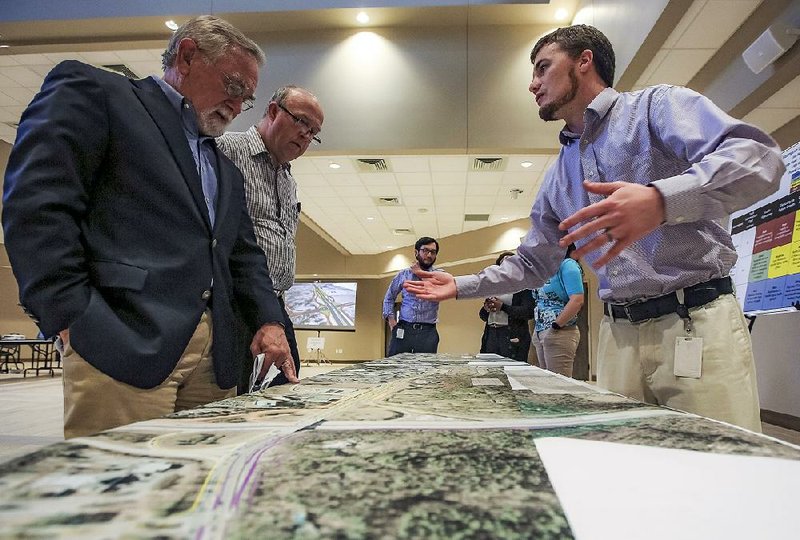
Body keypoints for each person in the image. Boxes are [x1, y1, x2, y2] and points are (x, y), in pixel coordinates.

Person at [403, 24, 786, 432]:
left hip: (696, 320)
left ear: (584, 61)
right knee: (625, 469)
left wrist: (660, 200)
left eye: (543, 68)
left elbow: (760, 160)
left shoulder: (656, 109)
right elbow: (532, 263)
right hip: (617, 337)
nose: (533, 85)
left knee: (722, 466)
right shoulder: (557, 178)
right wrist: (459, 285)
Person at [2, 15, 298, 439]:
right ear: (188, 55)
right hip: (123, 343)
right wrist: (68, 314)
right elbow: (37, 205)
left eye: (246, 99)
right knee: (123, 495)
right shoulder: (98, 93)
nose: (237, 106)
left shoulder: (224, 168)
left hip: (217, 367)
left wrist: (270, 322)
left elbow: (244, 257)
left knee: (203, 492)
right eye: (234, 87)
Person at [218, 85, 324, 392]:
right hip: (235, 299)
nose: (306, 135)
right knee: (234, 390)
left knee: (286, 382)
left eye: (313, 132)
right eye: (302, 122)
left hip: (274, 300)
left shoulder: (287, 179)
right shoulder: (227, 151)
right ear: (274, 111)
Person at [531, 244, 584, 376]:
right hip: (540, 330)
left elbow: (577, 300)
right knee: (547, 384)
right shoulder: (545, 270)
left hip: (560, 330)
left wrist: (555, 326)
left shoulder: (567, 265)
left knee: (559, 385)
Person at [383, 237, 442, 356]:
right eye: (425, 250)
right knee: (395, 368)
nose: (429, 255)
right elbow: (389, 298)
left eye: (433, 252)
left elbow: (437, 290)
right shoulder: (404, 274)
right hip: (404, 328)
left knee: (425, 370)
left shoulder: (440, 275)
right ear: (416, 252)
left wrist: (419, 273)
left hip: (428, 332)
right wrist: (392, 322)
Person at [479, 251, 535, 362]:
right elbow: (483, 316)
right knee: (490, 372)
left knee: (512, 371)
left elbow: (528, 312)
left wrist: (503, 307)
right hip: (491, 333)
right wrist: (486, 308)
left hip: (511, 335)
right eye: (502, 263)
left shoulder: (524, 286)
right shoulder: (494, 287)